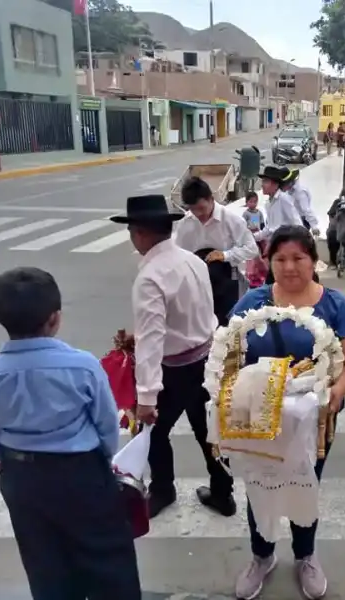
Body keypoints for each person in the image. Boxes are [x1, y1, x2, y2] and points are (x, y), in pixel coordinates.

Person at [0, 267, 141, 600]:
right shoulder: (83, 366)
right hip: (82, 474)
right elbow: (106, 429)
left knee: (45, 564)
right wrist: (97, 464)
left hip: (22, 480)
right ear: (55, 318)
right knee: (108, 560)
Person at [229, 225, 345, 600]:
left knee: (305, 485)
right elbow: (227, 356)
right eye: (280, 259)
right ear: (269, 262)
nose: (289, 267)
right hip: (260, 419)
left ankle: (305, 556)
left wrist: (335, 393)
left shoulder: (334, 306)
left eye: (298, 258)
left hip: (315, 422)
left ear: (313, 260)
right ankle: (262, 556)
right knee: (261, 484)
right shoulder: (252, 305)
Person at [111, 195, 235, 519]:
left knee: (152, 432)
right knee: (208, 431)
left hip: (175, 370)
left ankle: (163, 490)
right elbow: (193, 316)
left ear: (138, 233)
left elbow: (154, 340)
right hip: (207, 360)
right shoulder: (193, 261)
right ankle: (223, 494)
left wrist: (146, 397)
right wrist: (137, 338)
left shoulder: (150, 277)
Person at [173, 177, 259, 326]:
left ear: (211, 199)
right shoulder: (184, 224)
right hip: (197, 285)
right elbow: (176, 255)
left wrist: (225, 255)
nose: (198, 214)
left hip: (226, 282)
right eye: (193, 209)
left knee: (226, 325)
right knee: (200, 325)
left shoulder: (231, 220)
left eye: (201, 208)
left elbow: (252, 249)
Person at [282, 169, 320, 237]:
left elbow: (306, 209)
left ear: (290, 182)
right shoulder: (288, 191)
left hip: (302, 221)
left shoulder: (300, 192)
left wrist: (314, 226)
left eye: (284, 184)